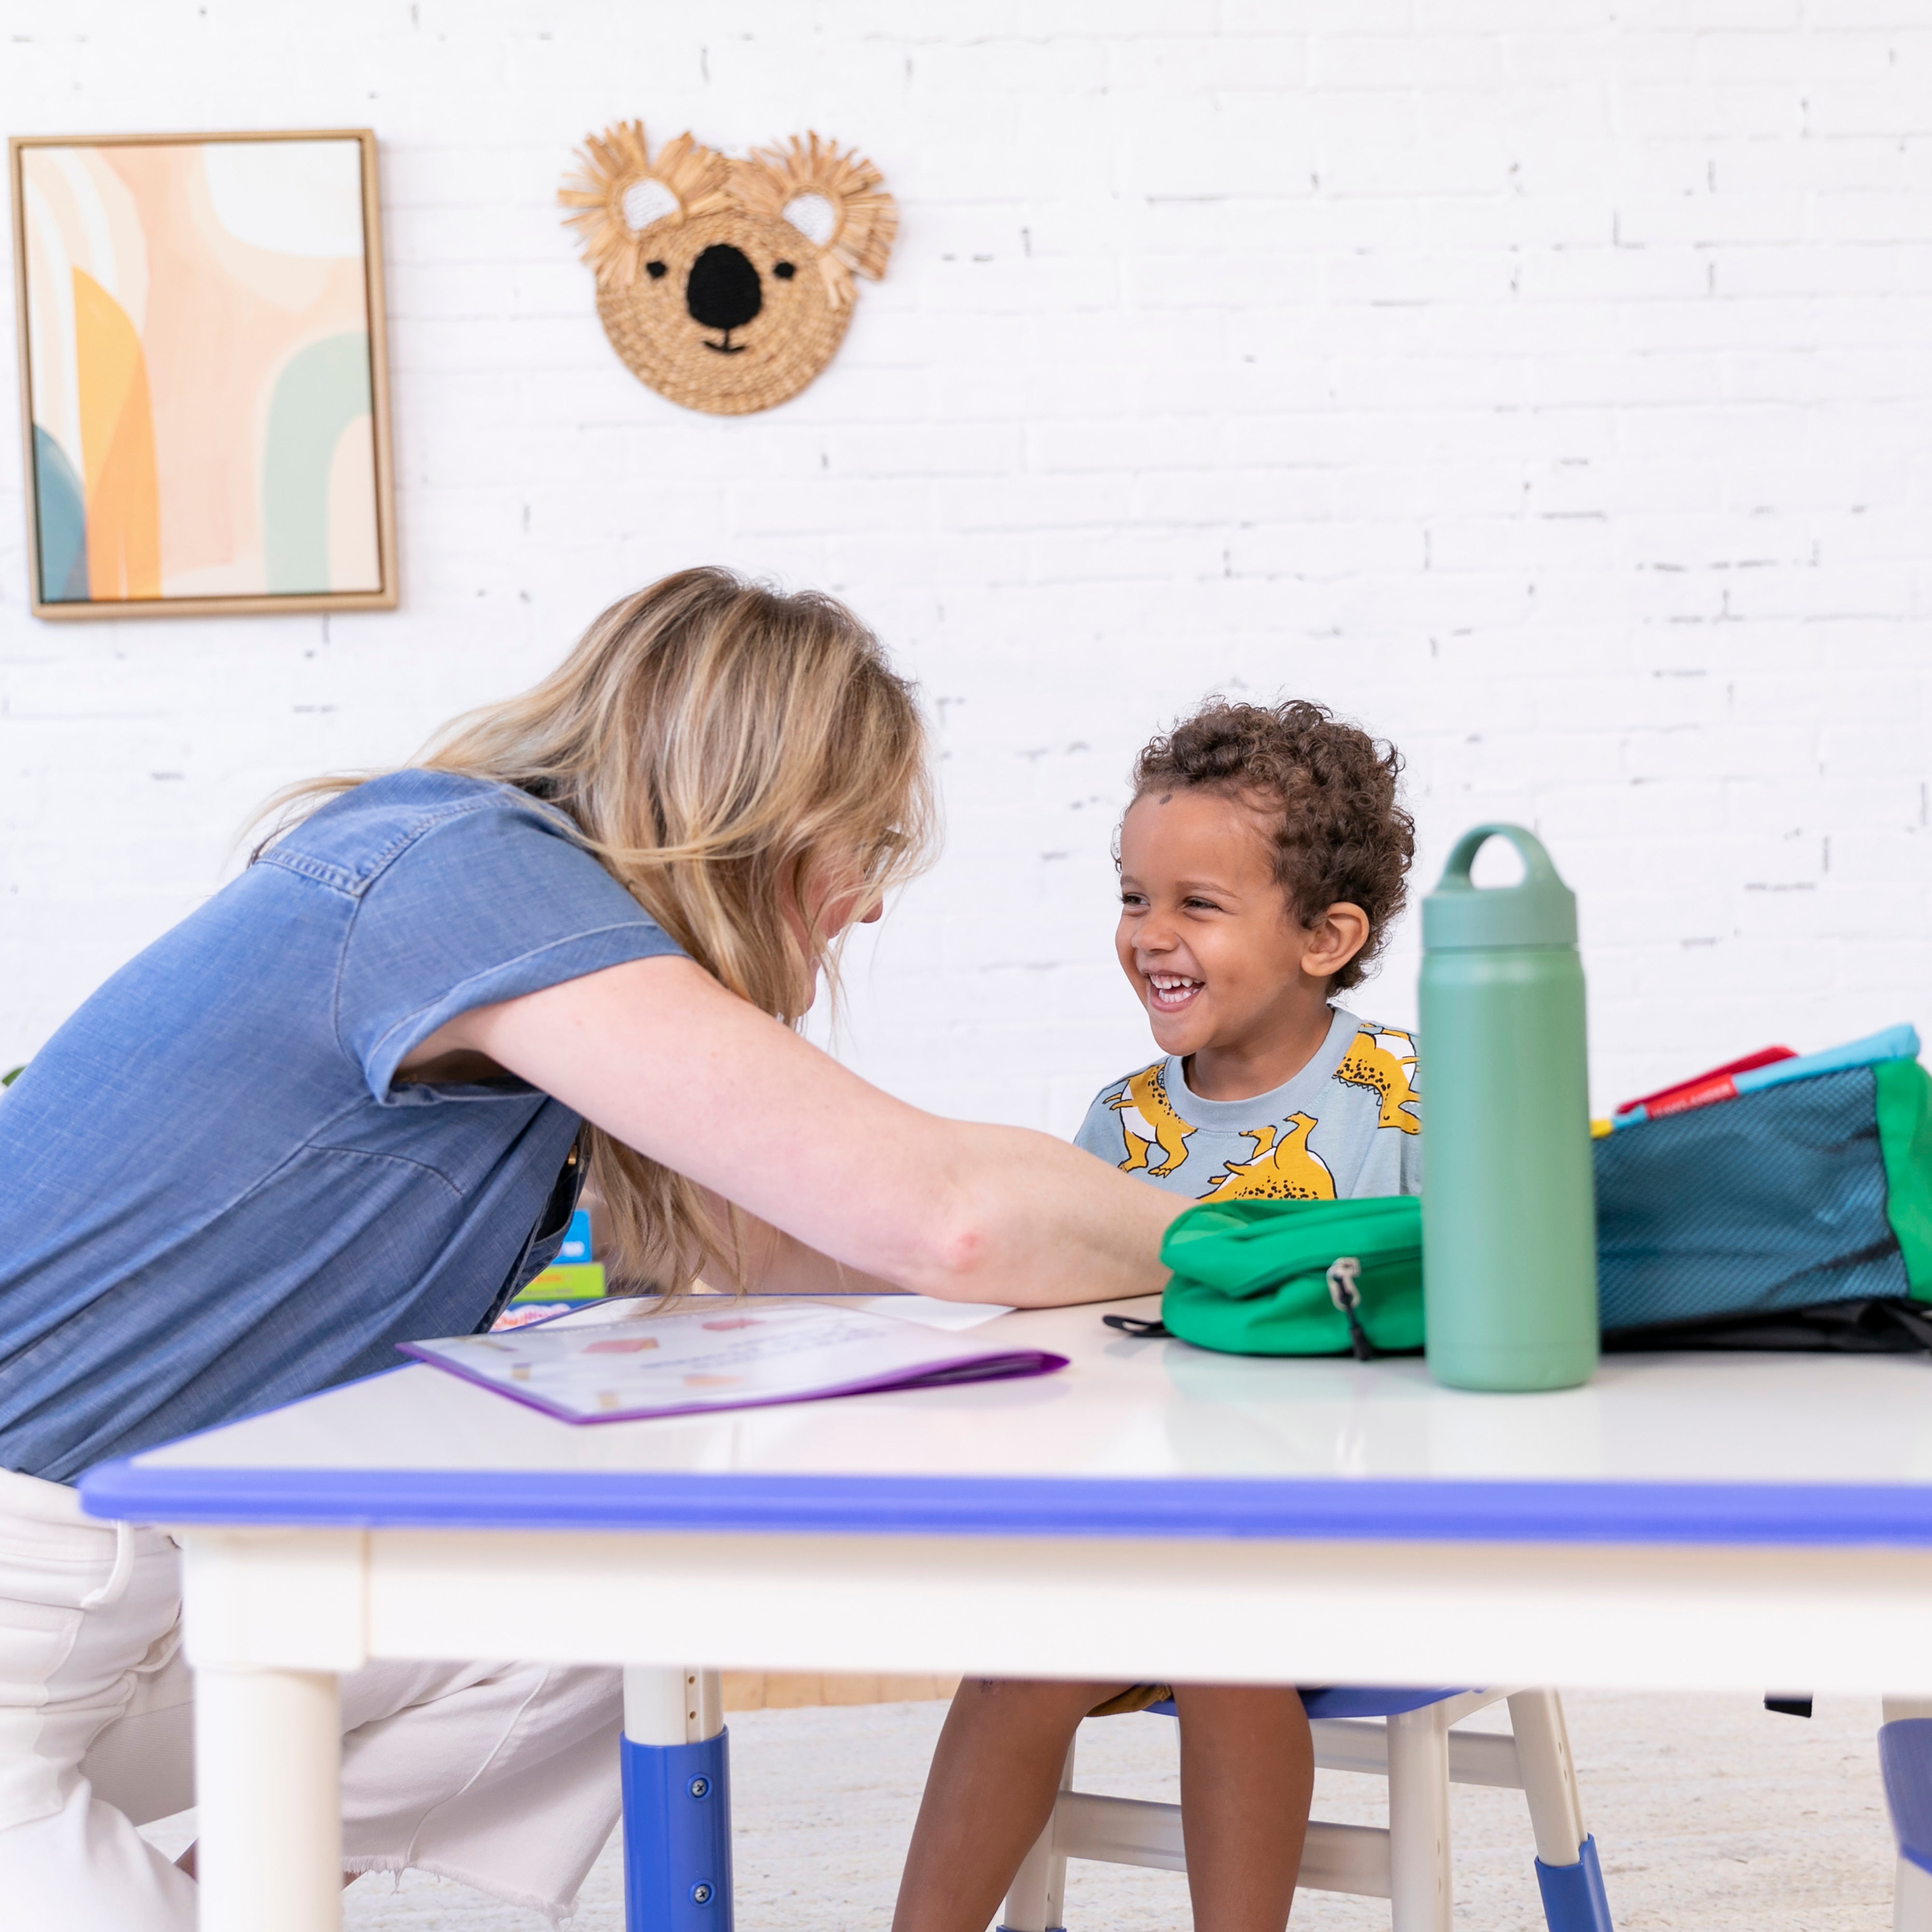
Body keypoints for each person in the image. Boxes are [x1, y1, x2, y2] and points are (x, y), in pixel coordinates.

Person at [0, 568, 1181, 1932]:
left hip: (152, 1580)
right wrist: (1242, 1243)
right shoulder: (462, 872)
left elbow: (783, 1242)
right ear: (761, 810)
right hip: (33, 1585)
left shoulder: (532, 949)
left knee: (609, 1584)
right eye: (864, 842)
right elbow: (943, 1214)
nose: (866, 905)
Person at [892, 697, 1418, 1932]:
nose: (1150, 934)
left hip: (1354, 1528)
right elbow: (1072, 1333)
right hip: (1149, 1519)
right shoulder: (1121, 1120)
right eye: (1134, 897)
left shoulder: (1400, 1096)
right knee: (1017, 1667)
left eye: (1198, 903)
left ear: (1324, 935)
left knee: (1218, 1635)